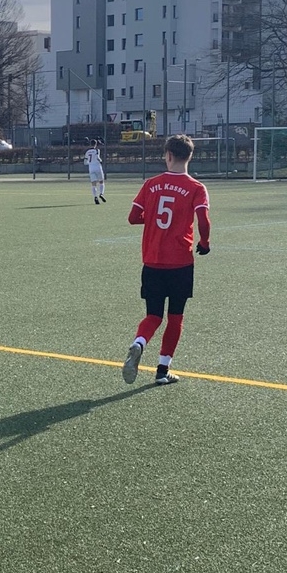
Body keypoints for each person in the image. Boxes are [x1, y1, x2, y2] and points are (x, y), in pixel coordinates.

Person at [122, 133, 211, 387]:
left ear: (168, 155)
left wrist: (151, 219)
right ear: (190, 156)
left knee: (153, 315)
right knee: (175, 317)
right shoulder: (196, 187)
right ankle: (162, 370)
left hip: (152, 262)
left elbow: (133, 217)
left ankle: (139, 342)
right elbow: (203, 220)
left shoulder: (151, 184)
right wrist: (204, 243)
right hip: (180, 263)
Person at [84, 139, 106, 204]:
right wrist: (101, 160)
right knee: (101, 182)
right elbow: (98, 158)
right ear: (95, 144)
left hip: (91, 168)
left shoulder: (87, 152)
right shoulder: (97, 150)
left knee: (93, 184)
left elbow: (85, 162)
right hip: (97, 167)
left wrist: (90, 163)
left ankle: (95, 197)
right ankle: (101, 194)